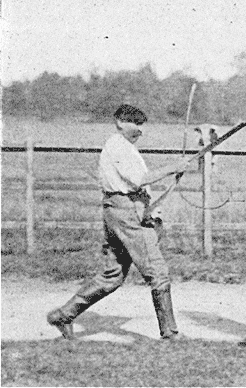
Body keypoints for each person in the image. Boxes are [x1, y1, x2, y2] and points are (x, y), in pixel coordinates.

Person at [46, 104, 190, 340]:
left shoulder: (126, 148)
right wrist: (172, 168)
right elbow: (139, 180)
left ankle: (63, 315)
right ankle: (170, 334)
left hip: (120, 211)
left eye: (142, 125)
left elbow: (139, 185)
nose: (140, 130)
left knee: (111, 276)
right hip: (126, 212)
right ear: (120, 122)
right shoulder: (117, 146)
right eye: (135, 123)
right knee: (158, 272)